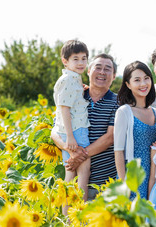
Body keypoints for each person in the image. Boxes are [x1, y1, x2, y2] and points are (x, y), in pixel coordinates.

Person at [51, 53, 118, 206]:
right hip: (73, 181)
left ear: (114, 76)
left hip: (103, 185)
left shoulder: (118, 102)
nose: (102, 72)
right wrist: (71, 150)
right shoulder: (74, 94)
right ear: (88, 71)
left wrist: (78, 157)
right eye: (97, 67)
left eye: (107, 69)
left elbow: (110, 137)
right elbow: (54, 131)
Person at [114, 61, 156, 200]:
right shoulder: (124, 112)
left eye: (146, 78)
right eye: (137, 80)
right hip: (132, 177)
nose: (143, 84)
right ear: (128, 84)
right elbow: (118, 151)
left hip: (155, 176)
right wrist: (123, 184)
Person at [51, 40, 90, 203]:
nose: (81, 62)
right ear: (65, 61)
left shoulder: (71, 79)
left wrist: (81, 90)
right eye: (76, 59)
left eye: (84, 58)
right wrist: (70, 137)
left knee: (71, 173)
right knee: (83, 171)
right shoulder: (68, 80)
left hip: (71, 130)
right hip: (75, 130)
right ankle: (78, 214)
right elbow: (64, 109)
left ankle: (67, 218)